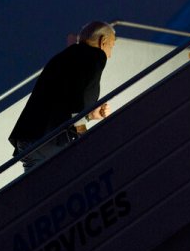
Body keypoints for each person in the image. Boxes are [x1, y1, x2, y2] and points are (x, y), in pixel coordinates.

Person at [9, 21, 115, 171]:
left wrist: (90, 116)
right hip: (48, 140)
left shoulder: (64, 57)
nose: (110, 55)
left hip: (28, 138)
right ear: (103, 41)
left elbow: (64, 99)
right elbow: (76, 96)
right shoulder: (95, 56)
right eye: (111, 46)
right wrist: (83, 134)